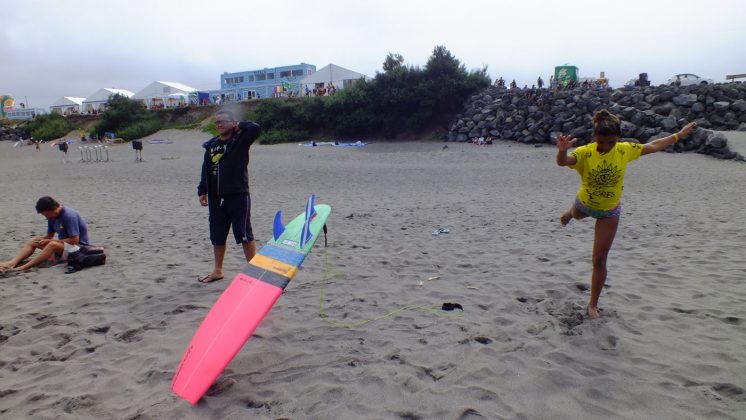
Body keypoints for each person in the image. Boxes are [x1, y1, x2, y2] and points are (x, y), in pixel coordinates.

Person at [555, 109, 697, 319]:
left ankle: (592, 304)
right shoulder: (585, 152)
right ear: (594, 138)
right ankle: (569, 213)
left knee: (600, 260)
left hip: (609, 212)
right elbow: (563, 162)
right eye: (601, 142)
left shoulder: (624, 150)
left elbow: (654, 145)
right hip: (584, 203)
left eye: (610, 142)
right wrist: (562, 151)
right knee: (575, 215)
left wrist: (679, 134)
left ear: (618, 139)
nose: (605, 147)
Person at [197, 109, 261, 283]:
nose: (219, 125)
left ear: (233, 123)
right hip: (216, 198)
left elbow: (255, 128)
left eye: (223, 121)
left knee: (244, 233)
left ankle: (254, 271)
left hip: (238, 194)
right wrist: (202, 190)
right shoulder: (211, 145)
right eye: (217, 122)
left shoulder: (240, 140)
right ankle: (217, 270)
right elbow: (206, 169)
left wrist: (239, 125)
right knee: (217, 234)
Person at [0, 196, 90, 273]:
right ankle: (12, 263)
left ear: (52, 208)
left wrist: (50, 241)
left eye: (45, 214)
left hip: (79, 250)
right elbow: (49, 236)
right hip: (64, 248)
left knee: (52, 244)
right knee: (34, 240)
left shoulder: (69, 215)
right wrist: (43, 240)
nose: (45, 217)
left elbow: (74, 240)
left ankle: (22, 268)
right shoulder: (52, 217)